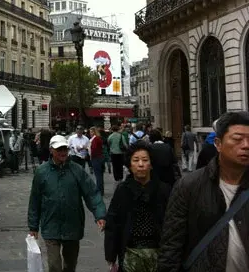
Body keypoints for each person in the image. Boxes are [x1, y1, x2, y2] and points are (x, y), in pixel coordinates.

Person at [158, 111, 249, 272]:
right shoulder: (188, 186)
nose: (246, 145)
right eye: (237, 139)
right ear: (218, 144)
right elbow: (171, 248)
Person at [28, 135, 106, 272]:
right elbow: (35, 200)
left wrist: (99, 215)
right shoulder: (42, 172)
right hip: (50, 224)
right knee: (54, 265)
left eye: (65, 148)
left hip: (72, 225)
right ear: (51, 150)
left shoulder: (76, 170)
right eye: (59, 149)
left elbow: (91, 193)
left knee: (70, 265)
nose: (63, 152)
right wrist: (33, 226)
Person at [104, 142, 171, 272]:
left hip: (158, 252)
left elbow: (172, 224)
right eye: (136, 160)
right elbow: (113, 223)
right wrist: (111, 256)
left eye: (145, 160)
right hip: (130, 252)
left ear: (151, 164)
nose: (141, 164)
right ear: (130, 164)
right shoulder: (123, 190)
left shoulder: (163, 190)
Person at [89, 127, 105, 196]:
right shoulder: (98, 138)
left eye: (91, 132)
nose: (90, 133)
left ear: (94, 132)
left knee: (98, 175)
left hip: (96, 158)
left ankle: (99, 191)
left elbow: (94, 149)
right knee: (100, 175)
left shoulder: (95, 139)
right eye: (90, 132)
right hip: (100, 158)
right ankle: (101, 191)